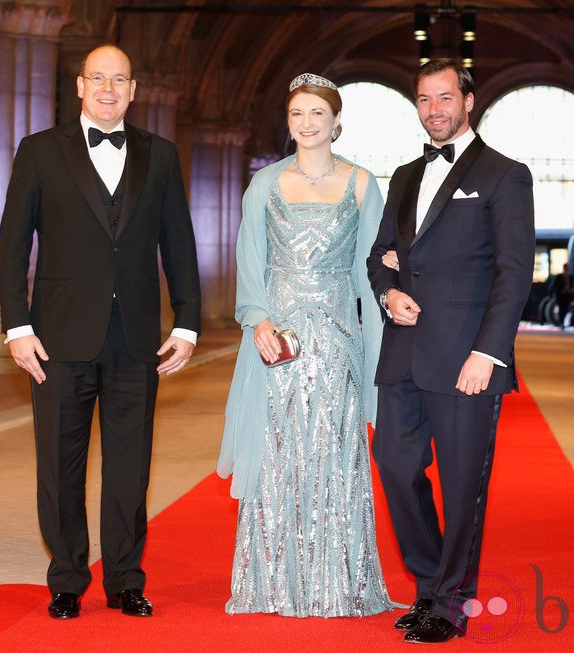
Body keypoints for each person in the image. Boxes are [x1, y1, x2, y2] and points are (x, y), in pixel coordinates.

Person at [0, 44, 201, 620]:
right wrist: (16, 325)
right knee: (59, 465)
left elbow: (178, 243)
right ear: (81, 86)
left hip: (137, 338)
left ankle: (125, 580)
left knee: (130, 466)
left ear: (134, 91)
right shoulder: (39, 151)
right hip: (56, 338)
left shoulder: (160, 156)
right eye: (98, 79)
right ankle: (65, 578)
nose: (109, 89)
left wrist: (185, 321)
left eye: (120, 80)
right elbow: (13, 244)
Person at [367, 59, 534, 644]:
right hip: (404, 352)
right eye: (423, 99)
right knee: (394, 466)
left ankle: (452, 602)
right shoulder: (406, 174)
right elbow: (380, 253)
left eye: (444, 98)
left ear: (468, 100)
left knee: (463, 484)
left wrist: (487, 355)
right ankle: (428, 586)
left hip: (467, 359)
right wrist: (388, 292)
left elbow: (514, 275)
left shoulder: (505, 175)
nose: (434, 109)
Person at [216, 72, 391, 617]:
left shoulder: (364, 184)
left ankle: (340, 583)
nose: (307, 122)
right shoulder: (263, 184)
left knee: (335, 452)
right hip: (278, 342)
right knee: (277, 455)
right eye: (297, 114)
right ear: (287, 122)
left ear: (336, 121)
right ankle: (271, 583)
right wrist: (258, 321)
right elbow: (250, 262)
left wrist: (378, 351)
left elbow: (370, 277)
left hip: (338, 339)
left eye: (318, 113)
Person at [548, 262, 574, 327]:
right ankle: (560, 322)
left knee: (566, 309)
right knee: (561, 308)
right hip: (560, 296)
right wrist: (549, 295)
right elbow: (553, 286)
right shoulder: (559, 276)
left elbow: (573, 286)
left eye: (567, 268)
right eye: (566, 268)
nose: (567, 269)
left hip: (567, 296)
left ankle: (563, 321)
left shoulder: (570, 277)